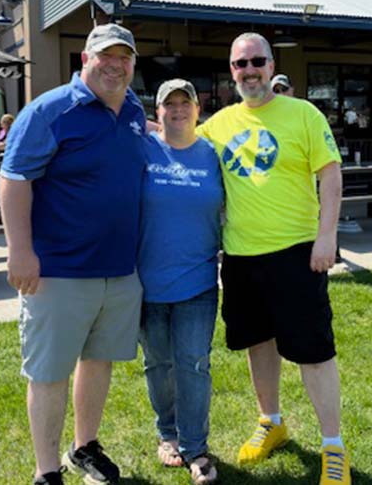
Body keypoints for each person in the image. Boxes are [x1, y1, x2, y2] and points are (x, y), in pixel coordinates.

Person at [197, 32, 349, 485]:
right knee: (257, 342)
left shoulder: (303, 114)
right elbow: (174, 138)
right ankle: (272, 421)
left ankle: (333, 446)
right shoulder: (218, 124)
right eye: (241, 64)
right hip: (241, 257)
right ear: (231, 71)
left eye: (257, 61)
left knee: (314, 351)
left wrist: (327, 237)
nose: (250, 71)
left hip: (297, 254)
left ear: (271, 64)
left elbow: (331, 175)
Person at [0, 23, 146, 485]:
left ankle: (84, 446)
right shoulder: (49, 111)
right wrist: (19, 251)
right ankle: (47, 472)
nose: (114, 65)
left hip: (119, 271)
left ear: (133, 64)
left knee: (98, 361)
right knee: (49, 373)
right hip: (58, 271)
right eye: (105, 55)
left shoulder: (136, 110)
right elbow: (14, 179)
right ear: (85, 58)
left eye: (124, 57)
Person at [137, 79, 223, 485]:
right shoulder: (143, 149)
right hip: (146, 282)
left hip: (199, 281)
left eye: (184, 102)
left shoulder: (213, 154)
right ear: (157, 111)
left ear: (197, 108)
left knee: (193, 364)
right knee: (158, 364)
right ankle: (167, 434)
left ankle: (196, 446)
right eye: (168, 103)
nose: (177, 110)